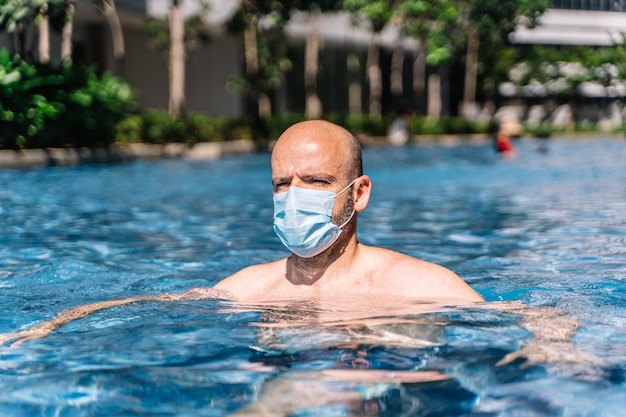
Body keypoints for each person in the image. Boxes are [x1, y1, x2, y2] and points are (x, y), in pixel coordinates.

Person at [0, 120, 483, 346]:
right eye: (281, 184)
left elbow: (530, 319)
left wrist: (544, 346)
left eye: (315, 182)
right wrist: (46, 326)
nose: (294, 196)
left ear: (358, 194)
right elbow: (150, 305)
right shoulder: (250, 287)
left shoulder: (422, 285)